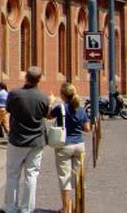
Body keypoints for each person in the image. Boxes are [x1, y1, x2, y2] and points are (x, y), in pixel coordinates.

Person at [1, 66, 49, 213]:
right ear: (39, 80)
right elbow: (46, 115)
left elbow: (8, 109)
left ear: (25, 77)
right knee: (31, 175)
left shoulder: (14, 94)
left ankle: (10, 207)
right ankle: (27, 208)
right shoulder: (43, 97)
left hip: (17, 140)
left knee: (13, 174)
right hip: (36, 141)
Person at [48, 83, 90, 213]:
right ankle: (79, 206)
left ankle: (66, 209)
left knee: (64, 178)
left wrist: (50, 102)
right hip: (79, 146)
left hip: (64, 146)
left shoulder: (60, 108)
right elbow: (87, 129)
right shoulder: (80, 109)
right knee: (78, 177)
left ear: (62, 95)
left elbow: (48, 116)